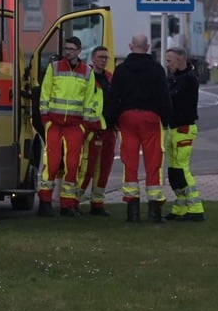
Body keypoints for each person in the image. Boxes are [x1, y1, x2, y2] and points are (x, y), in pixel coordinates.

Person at [104, 33, 172, 223]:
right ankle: (154, 211)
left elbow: (113, 97)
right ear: (148, 47)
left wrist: (111, 120)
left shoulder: (121, 70)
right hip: (151, 118)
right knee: (153, 163)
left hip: (127, 118)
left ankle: (132, 211)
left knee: (130, 163)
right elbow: (164, 97)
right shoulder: (157, 69)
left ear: (130, 46)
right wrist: (166, 119)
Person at [37, 36, 96, 218]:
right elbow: (45, 94)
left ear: (79, 51)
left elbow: (89, 101)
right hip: (54, 124)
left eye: (71, 49)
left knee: (72, 165)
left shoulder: (87, 72)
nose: (68, 52)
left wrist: (85, 126)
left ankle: (67, 204)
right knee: (52, 164)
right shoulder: (54, 68)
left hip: (75, 126)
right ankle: (45, 202)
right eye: (66, 48)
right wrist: (46, 119)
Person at [163, 46, 206, 221]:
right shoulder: (177, 77)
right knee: (174, 171)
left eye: (169, 61)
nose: (167, 64)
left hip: (184, 128)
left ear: (179, 60)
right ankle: (181, 206)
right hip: (175, 128)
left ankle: (195, 209)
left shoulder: (187, 79)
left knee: (181, 169)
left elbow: (171, 96)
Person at [76, 45, 115, 216]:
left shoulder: (109, 77)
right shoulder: (87, 76)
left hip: (109, 129)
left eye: (106, 57)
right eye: (100, 57)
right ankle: (73, 201)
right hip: (93, 129)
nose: (103, 60)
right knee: (86, 167)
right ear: (93, 58)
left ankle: (98, 203)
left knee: (104, 168)